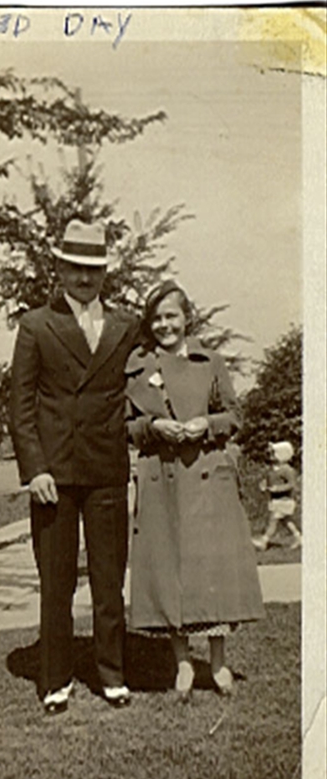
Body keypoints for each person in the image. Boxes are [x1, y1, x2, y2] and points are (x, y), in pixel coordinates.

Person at [9, 219, 139, 715]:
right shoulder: (36, 325)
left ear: (105, 273)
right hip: (53, 477)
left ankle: (112, 675)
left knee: (109, 581)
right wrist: (35, 468)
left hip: (107, 469)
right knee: (56, 583)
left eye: (94, 269)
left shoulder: (127, 325)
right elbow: (20, 405)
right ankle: (55, 679)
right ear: (60, 268)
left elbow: (147, 380)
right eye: (75, 268)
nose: (84, 279)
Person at [125, 280, 264, 701]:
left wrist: (209, 424)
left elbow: (235, 415)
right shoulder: (136, 366)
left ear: (187, 318)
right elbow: (124, 427)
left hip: (206, 476)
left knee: (212, 572)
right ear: (150, 324)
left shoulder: (211, 361)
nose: (165, 324)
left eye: (172, 315)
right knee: (170, 572)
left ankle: (218, 664)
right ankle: (183, 664)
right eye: (158, 318)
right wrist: (152, 427)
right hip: (162, 478)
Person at [253, 441, 302, 551]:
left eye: (273, 453)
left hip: (284, 500)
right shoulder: (273, 469)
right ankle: (298, 537)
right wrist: (264, 485)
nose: (270, 456)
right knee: (287, 521)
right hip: (276, 500)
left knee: (273, 520)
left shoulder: (287, 470)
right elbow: (269, 480)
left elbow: (291, 484)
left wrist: (278, 489)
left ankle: (264, 540)